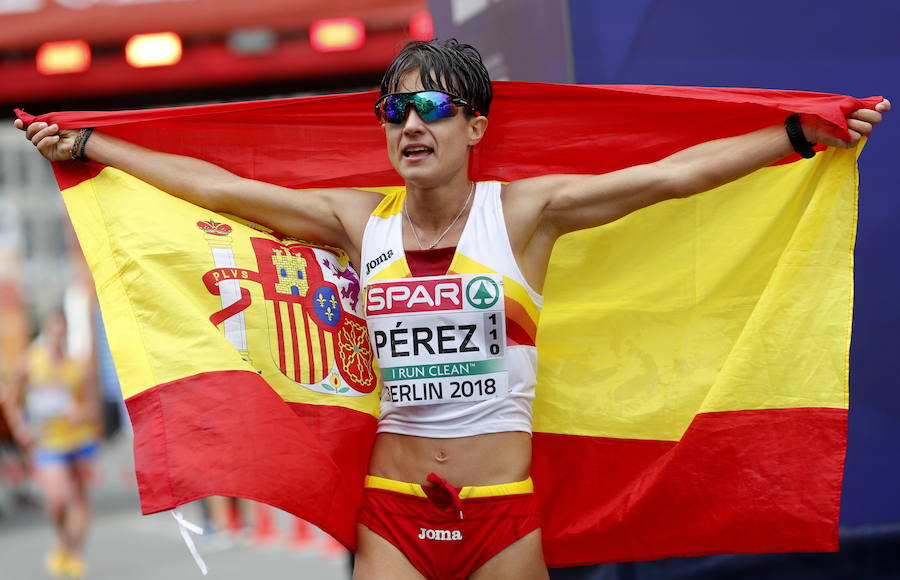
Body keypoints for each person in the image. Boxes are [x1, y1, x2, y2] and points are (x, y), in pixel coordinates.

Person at [16, 39, 889, 580]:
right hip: (392, 513)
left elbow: (668, 178)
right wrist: (95, 145)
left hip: (502, 516)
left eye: (433, 108)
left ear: (475, 127)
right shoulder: (356, 222)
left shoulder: (525, 214)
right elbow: (219, 189)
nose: (412, 125)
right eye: (396, 110)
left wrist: (796, 134)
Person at [2, 311, 100, 579]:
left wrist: (83, 412)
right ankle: (63, 542)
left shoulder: (77, 364)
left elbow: (92, 404)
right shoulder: (30, 362)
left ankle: (74, 553)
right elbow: (12, 399)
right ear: (46, 330)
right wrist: (19, 427)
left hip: (79, 437)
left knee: (79, 497)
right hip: (47, 441)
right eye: (53, 329)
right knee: (57, 499)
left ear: (66, 331)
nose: (58, 334)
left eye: (62, 329)